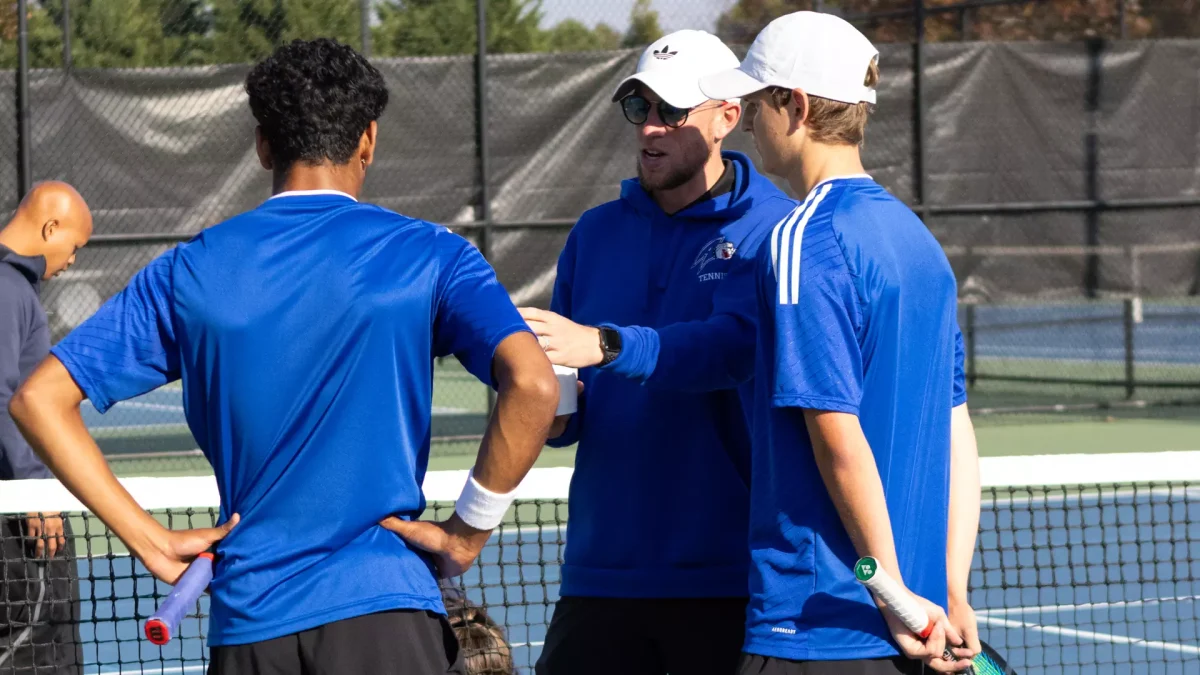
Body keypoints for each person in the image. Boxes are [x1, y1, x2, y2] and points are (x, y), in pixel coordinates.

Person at [9, 38, 559, 675]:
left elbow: (37, 398)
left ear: (263, 144)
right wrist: (468, 533)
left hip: (250, 629)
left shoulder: (188, 272)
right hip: (387, 616)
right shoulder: (434, 256)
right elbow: (534, 385)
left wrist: (151, 542)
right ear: (368, 141)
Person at [699, 11, 981, 675]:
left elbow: (836, 434)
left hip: (818, 622)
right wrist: (946, 588)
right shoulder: (920, 244)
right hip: (915, 626)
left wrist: (886, 590)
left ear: (793, 106)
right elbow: (957, 426)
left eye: (754, 101)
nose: (742, 118)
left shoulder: (803, 242)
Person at [519, 30, 797, 675]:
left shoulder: (775, 231)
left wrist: (609, 345)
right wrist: (555, 411)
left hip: (727, 580)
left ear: (728, 115)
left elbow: (733, 348)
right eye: (640, 108)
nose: (651, 129)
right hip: (599, 574)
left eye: (672, 112)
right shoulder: (595, 233)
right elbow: (576, 395)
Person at [0, 180, 91, 675]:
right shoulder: (6, 287)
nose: (73, 260)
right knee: (38, 650)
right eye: (73, 246)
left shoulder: (14, 287)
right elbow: (2, 395)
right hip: (17, 520)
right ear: (50, 227)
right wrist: (34, 491)